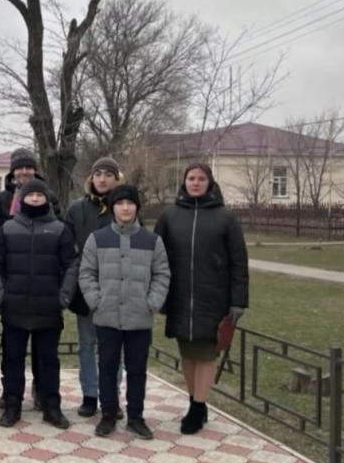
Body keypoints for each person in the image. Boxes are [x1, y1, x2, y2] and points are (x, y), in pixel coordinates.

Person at [155, 163, 249, 435]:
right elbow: (156, 256)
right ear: (184, 182)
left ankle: (197, 407)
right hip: (180, 296)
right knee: (188, 352)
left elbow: (239, 262)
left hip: (214, 297)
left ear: (210, 183)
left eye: (201, 179)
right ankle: (195, 398)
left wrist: (238, 301)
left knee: (207, 353)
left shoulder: (226, 218)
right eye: (191, 178)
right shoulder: (169, 216)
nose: (195, 183)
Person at [79, 185, 170, 439]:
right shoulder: (97, 239)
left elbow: (162, 274)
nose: (125, 208)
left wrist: (152, 302)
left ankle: (136, 417)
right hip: (106, 315)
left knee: (137, 369)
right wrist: (96, 300)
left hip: (139, 318)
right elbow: (86, 273)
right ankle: (108, 414)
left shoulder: (152, 241)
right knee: (107, 366)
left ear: (137, 207)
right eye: (120, 203)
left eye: (130, 203)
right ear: (113, 208)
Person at [0, 179, 77, 429]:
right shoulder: (7, 229)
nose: (35, 198)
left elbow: (71, 264)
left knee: (48, 360)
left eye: (40, 194)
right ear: (22, 199)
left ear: (47, 199)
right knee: (12, 359)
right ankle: (12, 405)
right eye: (31, 195)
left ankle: (52, 407)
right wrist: (1, 295)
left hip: (48, 307)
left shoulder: (59, 229)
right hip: (14, 306)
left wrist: (63, 297)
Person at [0, 149, 61, 410]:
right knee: (12, 351)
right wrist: (1, 291)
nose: (24, 172)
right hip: (13, 286)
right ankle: (11, 396)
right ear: (13, 172)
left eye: (28, 167)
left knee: (45, 353)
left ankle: (43, 393)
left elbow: (58, 237)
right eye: (20, 168)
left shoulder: (49, 198)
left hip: (43, 286)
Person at [65, 156, 121, 419]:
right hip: (86, 287)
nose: (102, 179)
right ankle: (90, 395)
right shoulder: (77, 208)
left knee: (113, 346)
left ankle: (112, 397)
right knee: (87, 343)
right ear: (91, 178)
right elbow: (67, 244)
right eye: (98, 174)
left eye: (108, 174)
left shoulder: (124, 206)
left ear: (116, 179)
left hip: (116, 288)